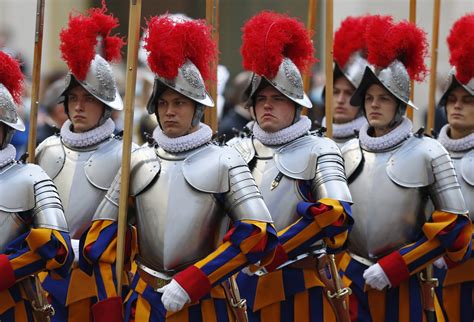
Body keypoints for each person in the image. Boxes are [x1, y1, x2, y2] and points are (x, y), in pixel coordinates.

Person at [81, 14, 277, 322]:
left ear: (198, 108)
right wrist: (109, 305)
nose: (170, 111)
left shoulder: (225, 160)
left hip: (206, 300)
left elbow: (258, 233)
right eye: (163, 104)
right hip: (144, 302)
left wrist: (196, 278)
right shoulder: (138, 160)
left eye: (180, 103)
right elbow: (100, 240)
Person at [339, 16, 471, 322]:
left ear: (400, 105)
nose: (374, 105)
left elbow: (455, 227)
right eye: (369, 98)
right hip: (352, 277)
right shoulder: (345, 152)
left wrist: (397, 265)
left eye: (384, 98)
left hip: (406, 280)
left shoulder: (428, 151)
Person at [230, 12, 354, 322]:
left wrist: (272, 248)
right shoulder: (234, 150)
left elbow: (336, 213)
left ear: (297, 105)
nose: (267, 105)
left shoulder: (320, 148)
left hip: (299, 286)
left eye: (277, 97)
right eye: (261, 98)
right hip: (238, 283)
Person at [35, 5, 134, 321]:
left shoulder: (127, 155)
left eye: (89, 99)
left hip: (98, 282)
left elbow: (136, 226)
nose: (78, 107)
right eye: (73, 98)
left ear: (105, 106)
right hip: (45, 274)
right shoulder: (47, 149)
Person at [0, 50, 72, 321]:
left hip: (11, 304)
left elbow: (58, 248)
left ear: (5, 130)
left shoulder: (31, 177)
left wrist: (9, 267)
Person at [433, 14, 474, 322]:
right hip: (425, 273)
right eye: (452, 99)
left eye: (467, 100)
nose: (457, 106)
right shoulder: (427, 152)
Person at [323, 15, 371, 146]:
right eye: (335, 92)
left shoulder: (372, 144)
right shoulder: (313, 142)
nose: (340, 100)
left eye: (349, 93)